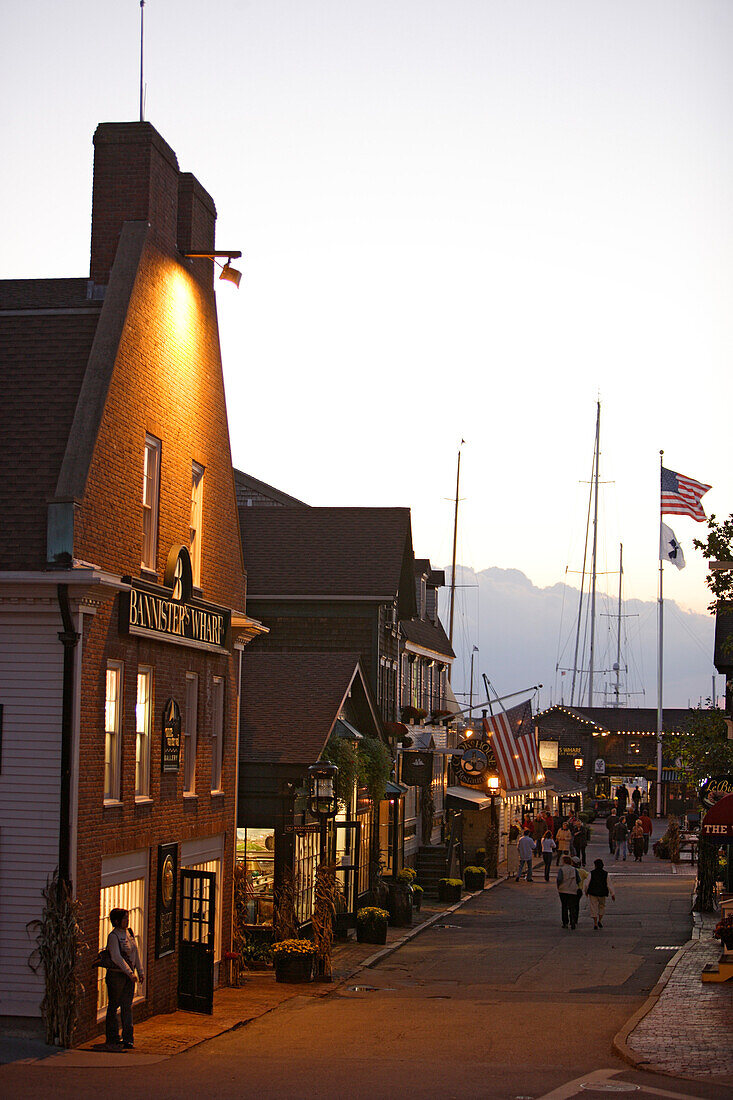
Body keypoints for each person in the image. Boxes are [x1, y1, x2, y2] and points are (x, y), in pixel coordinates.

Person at [105, 907, 144, 1050]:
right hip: (117, 975)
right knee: (114, 1005)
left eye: (127, 918)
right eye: (124, 918)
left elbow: (135, 953)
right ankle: (113, 1036)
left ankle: (128, 1038)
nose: (127, 921)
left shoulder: (129, 933)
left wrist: (140, 971)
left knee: (127, 1006)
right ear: (116, 921)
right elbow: (116, 957)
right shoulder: (113, 936)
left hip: (129, 975)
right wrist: (129, 972)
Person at [584, 858, 615, 929]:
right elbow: (609, 884)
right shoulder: (605, 874)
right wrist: (612, 894)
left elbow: (586, 884)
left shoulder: (591, 873)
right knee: (602, 906)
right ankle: (600, 920)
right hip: (602, 892)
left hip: (593, 892)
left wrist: (586, 891)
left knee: (593, 907)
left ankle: (595, 923)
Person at [556, 855, 581, 930]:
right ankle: (573, 920)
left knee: (564, 906)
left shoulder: (562, 869)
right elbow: (578, 879)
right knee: (572, 906)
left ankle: (565, 922)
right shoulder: (574, 869)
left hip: (563, 890)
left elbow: (559, 879)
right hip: (572, 890)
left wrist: (559, 886)